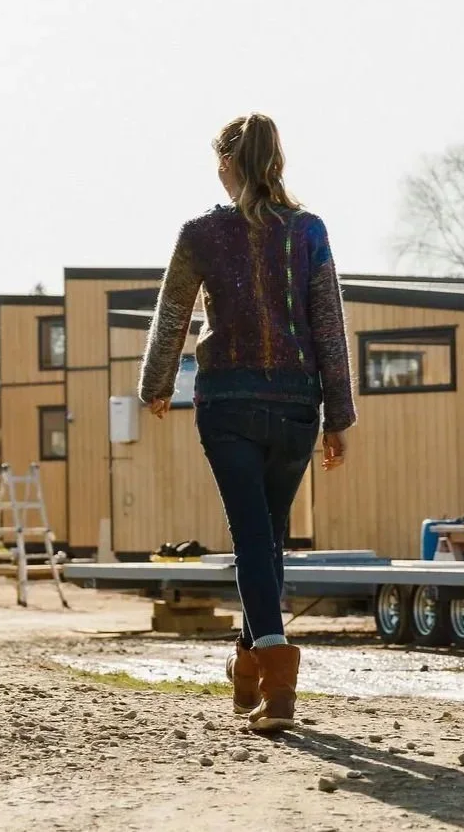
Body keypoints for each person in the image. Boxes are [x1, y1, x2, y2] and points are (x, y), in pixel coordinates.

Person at [138, 113, 356, 731]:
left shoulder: (201, 233)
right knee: (267, 537)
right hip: (296, 406)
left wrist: (156, 385)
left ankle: (277, 678)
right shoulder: (308, 231)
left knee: (255, 538)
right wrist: (337, 415)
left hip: (229, 404)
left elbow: (173, 312)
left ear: (228, 163)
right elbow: (328, 326)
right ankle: (246, 662)